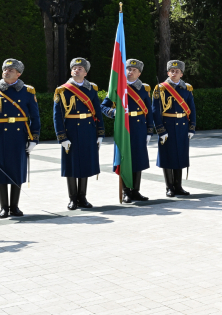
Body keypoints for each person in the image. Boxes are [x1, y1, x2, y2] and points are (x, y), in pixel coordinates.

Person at [0, 59, 39, 218]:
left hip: (19, 135)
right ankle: (4, 207)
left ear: (18, 74)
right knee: (0, 170)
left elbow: (35, 117)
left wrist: (34, 138)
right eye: (5, 69)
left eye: (11, 70)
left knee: (17, 169)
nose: (6, 72)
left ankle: (14, 206)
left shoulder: (27, 91)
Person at [54, 58, 104, 210]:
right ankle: (72, 198)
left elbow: (97, 111)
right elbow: (57, 116)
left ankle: (82, 197)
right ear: (71, 72)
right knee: (71, 165)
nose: (76, 70)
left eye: (80, 68)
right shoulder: (62, 90)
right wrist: (62, 137)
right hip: (71, 131)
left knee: (85, 164)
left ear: (85, 73)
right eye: (74, 68)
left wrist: (100, 133)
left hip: (88, 130)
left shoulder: (92, 89)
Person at [102, 58, 154, 202]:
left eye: (134, 70)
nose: (130, 72)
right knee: (124, 158)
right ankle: (126, 192)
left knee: (138, 159)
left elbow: (149, 111)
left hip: (139, 128)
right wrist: (113, 112)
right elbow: (103, 106)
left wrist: (149, 130)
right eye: (128, 69)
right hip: (123, 127)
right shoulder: (118, 87)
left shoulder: (144, 89)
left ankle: (135, 191)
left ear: (139, 73)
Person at [153, 60, 195, 197]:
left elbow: (192, 108)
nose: (174, 73)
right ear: (168, 73)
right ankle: (169, 187)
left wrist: (191, 127)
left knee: (180, 156)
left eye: (177, 71)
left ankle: (178, 186)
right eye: (172, 71)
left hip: (182, 126)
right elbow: (155, 111)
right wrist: (160, 130)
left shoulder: (187, 88)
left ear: (181, 74)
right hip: (167, 126)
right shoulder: (160, 88)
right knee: (167, 157)